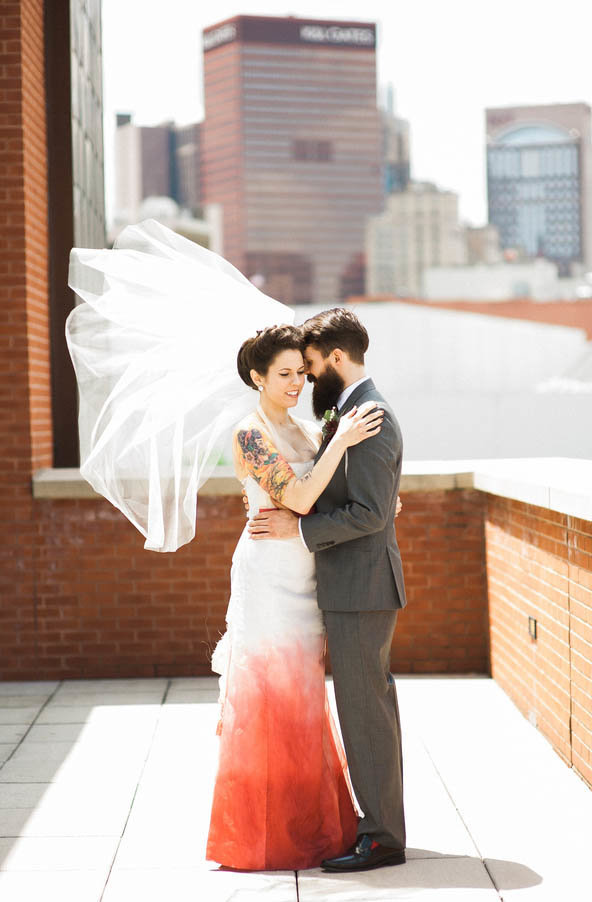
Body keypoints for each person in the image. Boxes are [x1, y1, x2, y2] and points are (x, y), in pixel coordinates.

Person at [205, 323, 385, 871]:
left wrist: (377, 507)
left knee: (306, 696)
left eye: (301, 373)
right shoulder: (249, 433)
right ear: (257, 377)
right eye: (283, 374)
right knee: (271, 696)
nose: (296, 383)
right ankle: (265, 832)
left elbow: (329, 496)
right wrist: (345, 440)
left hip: (308, 574)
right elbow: (303, 496)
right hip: (268, 576)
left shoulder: (309, 431)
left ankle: (314, 824)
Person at [247, 308, 408, 873]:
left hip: (361, 588)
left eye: (310, 368)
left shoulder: (370, 415)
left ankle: (383, 837)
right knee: (366, 710)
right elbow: (371, 500)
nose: (308, 381)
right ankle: (376, 825)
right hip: (348, 584)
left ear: (337, 358)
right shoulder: (350, 414)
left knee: (365, 712)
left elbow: (367, 512)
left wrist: (299, 527)